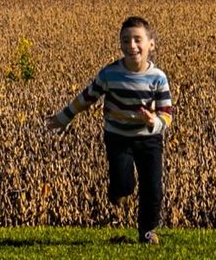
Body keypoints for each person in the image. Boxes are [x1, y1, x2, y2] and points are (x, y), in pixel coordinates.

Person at [42, 16, 175, 244]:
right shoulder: (110, 74)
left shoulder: (158, 78)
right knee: (123, 184)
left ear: (151, 44)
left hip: (149, 139)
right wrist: (65, 117)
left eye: (137, 39)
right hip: (118, 138)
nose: (131, 45)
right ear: (120, 44)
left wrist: (154, 122)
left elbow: (167, 114)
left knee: (153, 189)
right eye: (125, 40)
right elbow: (87, 97)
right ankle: (118, 191)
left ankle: (147, 232)